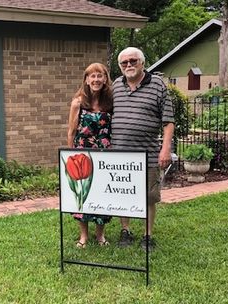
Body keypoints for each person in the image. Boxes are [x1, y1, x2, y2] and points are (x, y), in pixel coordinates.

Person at [111, 47, 175, 251]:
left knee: (149, 196)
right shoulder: (116, 85)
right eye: (124, 63)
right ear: (120, 67)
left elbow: (168, 121)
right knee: (123, 194)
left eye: (133, 61)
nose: (129, 65)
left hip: (147, 154)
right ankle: (125, 230)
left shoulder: (157, 85)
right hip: (120, 154)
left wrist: (165, 149)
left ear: (142, 63)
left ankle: (147, 235)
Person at [67, 62, 114, 249]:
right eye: (92, 76)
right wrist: (70, 156)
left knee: (102, 194)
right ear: (86, 79)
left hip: (104, 155)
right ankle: (83, 236)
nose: (96, 79)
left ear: (105, 79)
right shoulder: (77, 102)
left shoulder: (110, 103)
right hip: (82, 154)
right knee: (83, 194)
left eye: (99, 75)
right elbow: (71, 132)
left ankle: (100, 235)